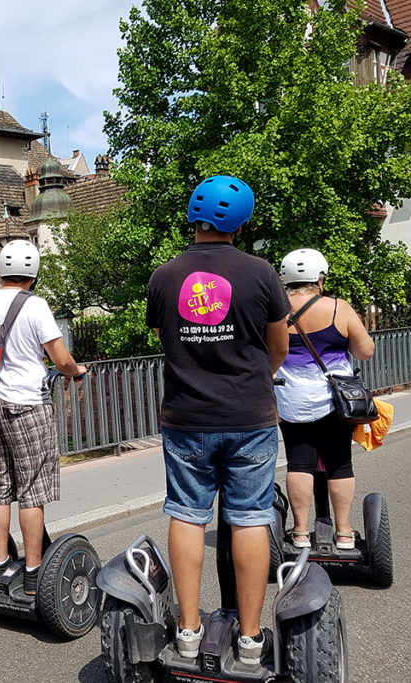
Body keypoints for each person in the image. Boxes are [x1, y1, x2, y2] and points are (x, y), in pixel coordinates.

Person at [146, 176, 290, 665]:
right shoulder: (262, 273)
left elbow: (167, 338)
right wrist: (260, 377)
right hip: (249, 415)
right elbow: (279, 348)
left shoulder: (164, 276)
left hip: (186, 416)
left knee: (187, 512)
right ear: (242, 223)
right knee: (250, 516)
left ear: (194, 217)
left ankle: (187, 632)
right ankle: (250, 640)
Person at [0, 239, 86, 596]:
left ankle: (3, 565)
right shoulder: (36, 306)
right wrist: (77, 372)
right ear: (33, 273)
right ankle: (35, 572)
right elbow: (60, 358)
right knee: (32, 490)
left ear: (2, 271)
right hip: (28, 407)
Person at [275, 248, 375, 550]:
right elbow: (364, 351)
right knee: (340, 463)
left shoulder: (274, 311)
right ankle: (344, 534)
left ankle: (301, 533)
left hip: (290, 400)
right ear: (319, 279)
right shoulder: (337, 308)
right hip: (335, 401)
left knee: (299, 463)